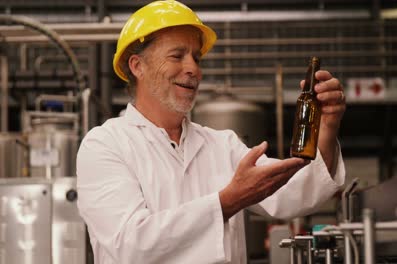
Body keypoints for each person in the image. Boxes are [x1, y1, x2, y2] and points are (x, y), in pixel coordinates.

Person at [76, 1, 347, 263]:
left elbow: (294, 194)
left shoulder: (222, 145)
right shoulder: (105, 145)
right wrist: (226, 202)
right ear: (138, 66)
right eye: (177, 56)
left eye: (196, 57)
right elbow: (131, 244)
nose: (193, 68)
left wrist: (327, 125)